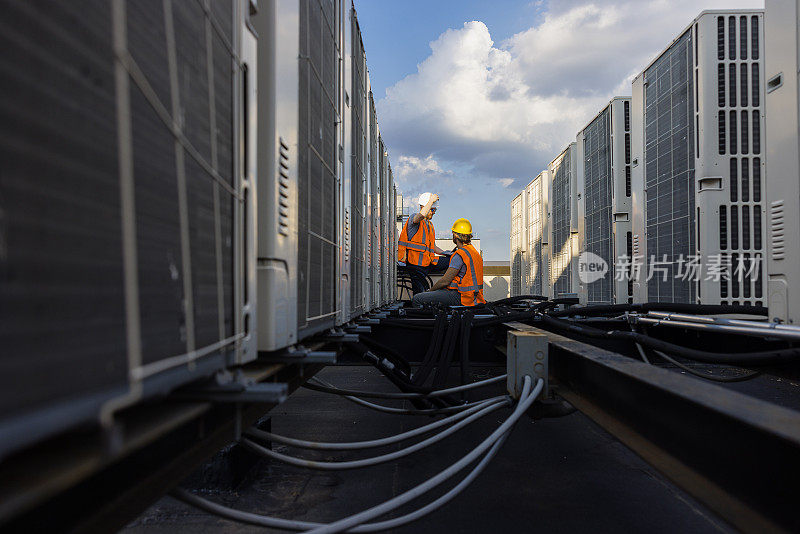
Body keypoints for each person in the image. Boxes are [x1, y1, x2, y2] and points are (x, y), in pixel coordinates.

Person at [412, 218, 485, 308]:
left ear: (455, 235)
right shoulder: (474, 252)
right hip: (475, 297)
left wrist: (430, 291)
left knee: (417, 298)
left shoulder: (459, 255)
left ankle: (427, 321)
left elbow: (445, 281)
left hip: (462, 297)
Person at [397, 192, 450, 294]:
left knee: (451, 260)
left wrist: (445, 253)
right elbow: (421, 215)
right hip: (415, 265)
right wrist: (431, 201)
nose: (434, 212)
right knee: (419, 293)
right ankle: (419, 306)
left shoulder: (430, 225)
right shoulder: (414, 218)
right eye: (432, 209)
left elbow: (433, 247)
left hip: (428, 262)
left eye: (435, 210)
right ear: (425, 206)